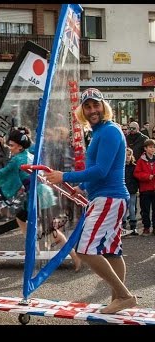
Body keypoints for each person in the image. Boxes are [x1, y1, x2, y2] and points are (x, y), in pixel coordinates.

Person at [45, 87, 137, 314]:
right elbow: (99, 170)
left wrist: (64, 176)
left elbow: (102, 170)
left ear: (104, 107)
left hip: (109, 197)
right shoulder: (100, 132)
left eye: (96, 105)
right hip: (108, 197)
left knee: (85, 249)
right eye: (88, 106)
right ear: (82, 111)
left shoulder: (108, 131)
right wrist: (82, 187)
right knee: (112, 251)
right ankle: (118, 299)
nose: (92, 110)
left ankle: (124, 296)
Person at [0, 128, 81, 269]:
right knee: (21, 218)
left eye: (11, 145)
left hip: (38, 195)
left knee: (49, 230)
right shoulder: (29, 155)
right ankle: (33, 247)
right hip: (38, 193)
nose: (9, 148)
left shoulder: (17, 159)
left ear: (20, 146)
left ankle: (74, 255)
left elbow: (4, 173)